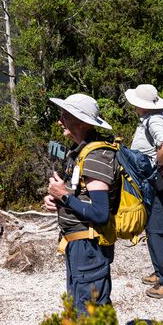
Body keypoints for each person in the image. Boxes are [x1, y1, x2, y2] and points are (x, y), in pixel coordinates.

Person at [44, 93, 121, 312]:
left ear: (81, 122)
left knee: (89, 310)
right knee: (82, 306)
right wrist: (59, 200)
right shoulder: (83, 151)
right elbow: (83, 196)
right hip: (79, 244)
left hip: (89, 247)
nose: (60, 120)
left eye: (65, 115)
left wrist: (64, 197)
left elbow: (99, 213)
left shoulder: (96, 157)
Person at [125, 83, 163, 299]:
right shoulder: (154, 118)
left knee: (158, 229)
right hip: (156, 182)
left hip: (158, 182)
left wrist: (154, 167)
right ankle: (161, 272)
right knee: (153, 228)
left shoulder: (155, 120)